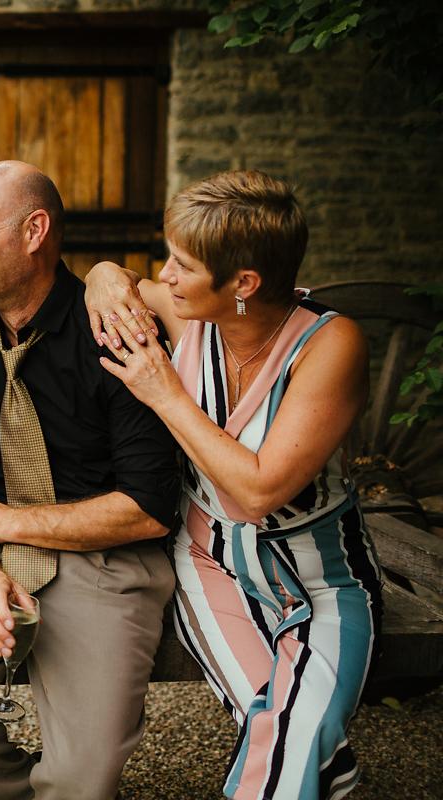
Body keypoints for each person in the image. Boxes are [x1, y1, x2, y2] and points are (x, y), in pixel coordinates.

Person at [84, 169, 382, 799]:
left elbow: (257, 492)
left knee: (284, 731)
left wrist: (164, 392)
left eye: (182, 264)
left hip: (323, 572)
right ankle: (329, 766)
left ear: (243, 284)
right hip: (207, 562)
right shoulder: (183, 310)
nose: (164, 276)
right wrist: (103, 273)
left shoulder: (331, 344)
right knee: (292, 732)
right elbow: (119, 282)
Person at [0, 160, 180, 800]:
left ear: (34, 231)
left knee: (83, 777)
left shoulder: (116, 331)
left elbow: (148, 508)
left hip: (108, 559)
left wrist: (2, 522)